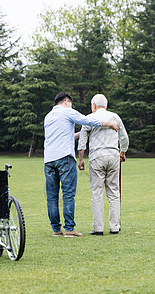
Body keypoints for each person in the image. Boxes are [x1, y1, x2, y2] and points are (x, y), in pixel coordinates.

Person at [44, 92, 119, 237]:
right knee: (68, 194)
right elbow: (88, 120)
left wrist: (82, 134)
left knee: (52, 196)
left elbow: (64, 136)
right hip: (64, 158)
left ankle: (56, 229)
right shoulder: (67, 112)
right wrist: (109, 123)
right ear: (66, 102)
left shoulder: (48, 117)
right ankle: (70, 229)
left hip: (49, 160)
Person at [77, 94, 129, 235]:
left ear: (94, 105)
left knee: (97, 193)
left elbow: (82, 140)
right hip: (113, 156)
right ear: (105, 105)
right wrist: (122, 153)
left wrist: (81, 159)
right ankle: (114, 227)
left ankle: (98, 228)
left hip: (97, 156)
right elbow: (124, 138)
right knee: (113, 193)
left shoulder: (89, 118)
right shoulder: (115, 117)